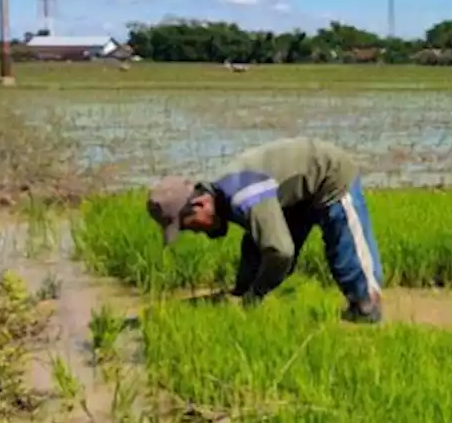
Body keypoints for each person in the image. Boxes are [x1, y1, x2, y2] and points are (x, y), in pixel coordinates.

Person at [145, 136, 384, 323]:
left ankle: (367, 308)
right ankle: (245, 299)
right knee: (256, 247)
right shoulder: (227, 196)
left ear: (200, 204)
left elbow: (281, 252)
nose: (195, 233)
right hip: (296, 195)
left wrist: (256, 293)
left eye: (188, 226)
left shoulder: (243, 195)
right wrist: (242, 291)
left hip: (329, 177)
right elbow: (258, 244)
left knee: (345, 255)